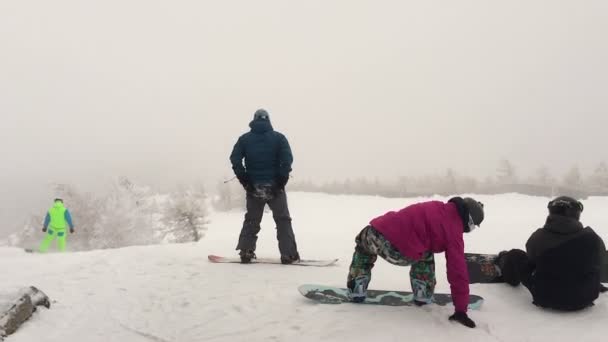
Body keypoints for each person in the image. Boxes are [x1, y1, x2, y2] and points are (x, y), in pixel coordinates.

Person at [347, 197, 484, 328]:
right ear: (469, 221)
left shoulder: (437, 206)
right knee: (425, 252)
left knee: (363, 244)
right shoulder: (454, 234)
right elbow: (457, 272)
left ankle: (357, 286)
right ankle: (422, 292)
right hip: (406, 253)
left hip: (380, 235)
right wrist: (461, 310)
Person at [495, 196, 607, 311]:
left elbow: (532, 261)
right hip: (586, 298)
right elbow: (601, 264)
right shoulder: (593, 238)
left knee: (516, 255)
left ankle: (507, 272)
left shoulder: (538, 237)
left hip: (546, 298)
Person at [229, 109, 300, 264]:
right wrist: (281, 181)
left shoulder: (244, 139)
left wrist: (245, 180)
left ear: (254, 119)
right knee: (283, 220)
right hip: (275, 188)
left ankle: (246, 251)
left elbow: (235, 159)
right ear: (268, 120)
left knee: (252, 220)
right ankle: (288, 254)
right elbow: (287, 160)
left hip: (253, 187)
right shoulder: (279, 138)